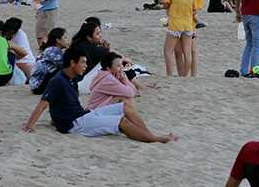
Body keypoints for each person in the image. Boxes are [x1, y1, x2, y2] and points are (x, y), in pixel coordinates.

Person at [21, 47, 176, 143]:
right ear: (73, 63)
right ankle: (155, 139)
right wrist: (29, 126)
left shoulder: (71, 79)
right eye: (83, 62)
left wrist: (54, 120)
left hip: (83, 114)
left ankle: (150, 134)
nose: (86, 66)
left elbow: (60, 105)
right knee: (121, 121)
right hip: (75, 124)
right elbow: (43, 104)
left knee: (125, 107)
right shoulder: (58, 81)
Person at [161, 0, 202, 77]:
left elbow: (165, 4)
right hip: (188, 25)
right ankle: (184, 75)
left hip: (175, 24)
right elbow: (195, 9)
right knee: (187, 53)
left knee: (168, 51)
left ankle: (169, 74)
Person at [28, 27, 68, 95]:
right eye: (65, 38)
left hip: (37, 84)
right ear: (58, 40)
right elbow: (65, 65)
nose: (67, 41)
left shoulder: (52, 49)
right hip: (39, 86)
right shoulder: (53, 51)